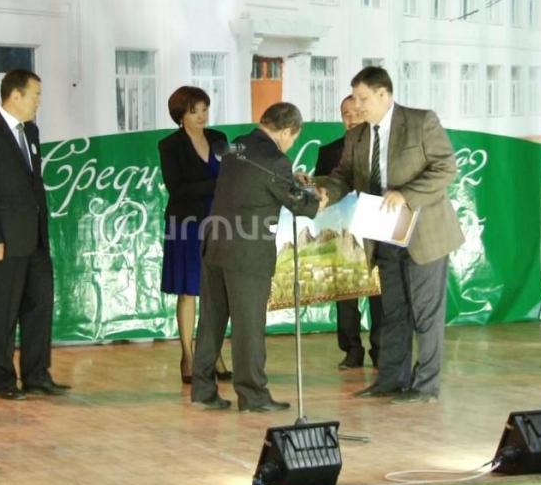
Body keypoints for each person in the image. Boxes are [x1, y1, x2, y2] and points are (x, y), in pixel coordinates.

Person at [320, 66, 464, 404]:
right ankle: (390, 379)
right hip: (382, 233)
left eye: (362, 98)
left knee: (426, 312)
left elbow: (446, 167)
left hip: (424, 233)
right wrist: (325, 193)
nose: (356, 105)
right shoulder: (357, 135)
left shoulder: (420, 121)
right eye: (354, 98)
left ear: (383, 94)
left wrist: (406, 195)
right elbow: (343, 176)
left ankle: (425, 385)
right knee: (392, 311)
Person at [190, 102, 321, 412]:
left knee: (210, 321)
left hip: (216, 244)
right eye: (293, 138)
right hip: (247, 253)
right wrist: (317, 197)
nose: (291, 144)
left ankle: (203, 391)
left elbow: (254, 182)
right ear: (287, 131)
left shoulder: (236, 146)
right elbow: (302, 206)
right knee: (248, 325)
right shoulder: (275, 159)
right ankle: (253, 396)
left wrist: (290, 180)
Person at [0, 69, 69, 400]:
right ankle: (3, 380)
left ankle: (37, 374)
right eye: (35, 95)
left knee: (39, 307)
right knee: (3, 312)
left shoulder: (31, 132)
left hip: (34, 238)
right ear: (15, 96)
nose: (39, 101)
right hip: (4, 242)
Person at [158, 86, 231, 385]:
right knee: (188, 291)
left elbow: (233, 174)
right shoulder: (170, 145)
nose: (201, 116)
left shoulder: (219, 139)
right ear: (181, 115)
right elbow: (177, 189)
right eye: (194, 111)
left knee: (216, 292)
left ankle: (214, 354)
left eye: (204, 109)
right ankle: (188, 356)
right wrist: (216, 185)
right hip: (186, 223)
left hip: (220, 222)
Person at [314, 95, 383, 370]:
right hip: (342, 233)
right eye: (346, 114)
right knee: (345, 293)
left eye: (356, 113)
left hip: (376, 231)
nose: (351, 119)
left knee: (380, 293)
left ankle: (381, 349)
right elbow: (323, 192)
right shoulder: (328, 151)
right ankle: (352, 350)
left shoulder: (381, 147)